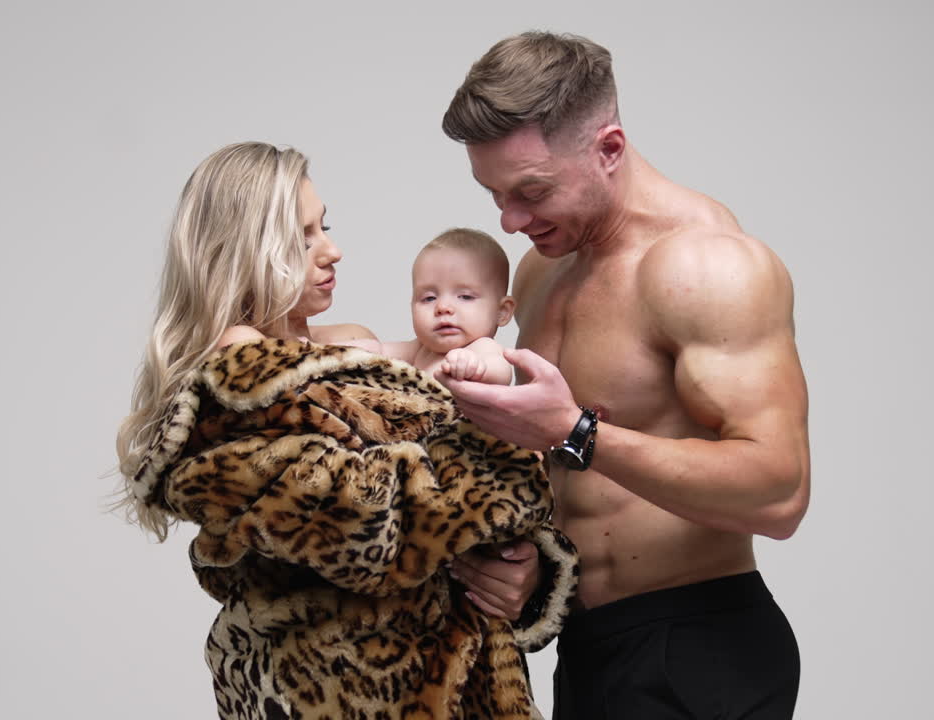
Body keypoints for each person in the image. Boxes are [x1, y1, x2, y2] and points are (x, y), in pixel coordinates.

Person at [115, 141, 578, 719]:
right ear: (244, 250)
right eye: (302, 237)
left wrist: (517, 567)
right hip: (339, 689)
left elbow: (443, 514)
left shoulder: (349, 346)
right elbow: (368, 527)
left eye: (325, 227)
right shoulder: (239, 380)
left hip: (450, 681)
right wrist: (516, 450)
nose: (332, 251)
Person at [439, 32, 811, 718]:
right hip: (588, 647)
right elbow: (556, 474)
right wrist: (528, 565)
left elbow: (780, 493)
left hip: (696, 646)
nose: (511, 221)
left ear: (608, 148)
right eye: (494, 194)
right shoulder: (543, 270)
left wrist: (576, 431)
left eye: (532, 191)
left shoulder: (705, 266)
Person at [352, 227, 517, 385]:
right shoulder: (420, 349)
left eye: (465, 297)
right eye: (429, 298)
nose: (443, 307)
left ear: (502, 312)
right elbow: (381, 351)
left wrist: (474, 366)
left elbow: (502, 372)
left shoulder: (482, 348)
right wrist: (359, 348)